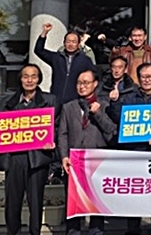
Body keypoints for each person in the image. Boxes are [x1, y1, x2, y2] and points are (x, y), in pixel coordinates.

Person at [0, 64, 57, 235]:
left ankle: (35, 232)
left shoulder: (50, 100)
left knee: (36, 201)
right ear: (20, 79)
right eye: (26, 76)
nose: (29, 80)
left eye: (33, 76)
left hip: (37, 158)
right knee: (12, 202)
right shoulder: (8, 102)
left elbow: (58, 125)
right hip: (13, 158)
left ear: (39, 79)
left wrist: (51, 142)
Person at [107, 63, 151, 235]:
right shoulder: (129, 98)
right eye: (143, 77)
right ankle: (133, 229)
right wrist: (114, 102)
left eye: (149, 77)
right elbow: (119, 119)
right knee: (134, 193)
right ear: (138, 78)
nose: (146, 80)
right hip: (135, 153)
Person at [58, 69, 116, 235]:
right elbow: (62, 134)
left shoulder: (104, 105)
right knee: (74, 199)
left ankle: (96, 230)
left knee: (96, 199)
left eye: (86, 83)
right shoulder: (68, 107)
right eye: (79, 83)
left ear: (95, 84)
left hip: (97, 159)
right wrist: (64, 156)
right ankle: (73, 230)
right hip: (75, 159)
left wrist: (97, 114)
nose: (82, 86)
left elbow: (111, 130)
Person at [34, 23, 95, 105]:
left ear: (78, 44)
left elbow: (94, 78)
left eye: (74, 42)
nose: (70, 44)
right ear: (64, 43)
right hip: (56, 99)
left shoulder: (85, 60)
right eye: (68, 42)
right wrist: (44, 33)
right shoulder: (56, 57)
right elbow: (39, 50)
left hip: (75, 101)